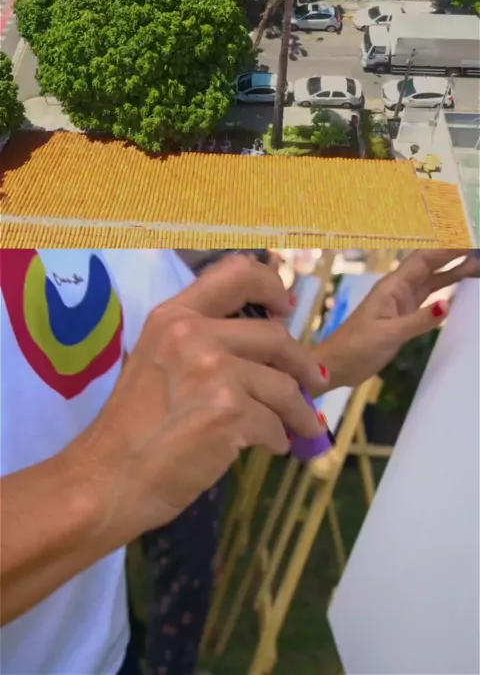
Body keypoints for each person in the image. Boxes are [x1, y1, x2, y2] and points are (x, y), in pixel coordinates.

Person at [1, 248, 478, 675]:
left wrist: (324, 364)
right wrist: (108, 476)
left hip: (102, 651)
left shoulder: (78, 212)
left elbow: (101, 404)